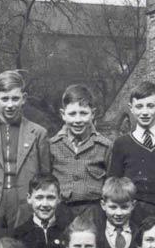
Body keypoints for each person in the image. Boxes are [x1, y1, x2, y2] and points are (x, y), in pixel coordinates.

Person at [0, 69, 50, 230]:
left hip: (25, 203)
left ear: (24, 98)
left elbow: (45, 176)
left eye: (15, 98)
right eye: (5, 99)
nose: (10, 105)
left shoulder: (39, 133)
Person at [107, 81, 155, 220]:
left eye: (150, 106)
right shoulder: (121, 144)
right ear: (131, 108)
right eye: (139, 106)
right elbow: (114, 183)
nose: (144, 112)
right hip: (133, 213)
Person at [48, 84, 113, 215]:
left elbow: (111, 185)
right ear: (63, 114)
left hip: (95, 212)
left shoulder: (105, 146)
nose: (78, 120)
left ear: (93, 114)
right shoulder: (52, 145)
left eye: (83, 113)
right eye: (72, 114)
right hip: (61, 212)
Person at [14, 173, 73, 248]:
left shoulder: (69, 231)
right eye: (39, 197)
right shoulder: (19, 235)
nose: (45, 204)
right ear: (29, 198)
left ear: (59, 198)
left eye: (50, 197)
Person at [90, 177, 142, 248]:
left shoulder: (140, 233)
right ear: (103, 205)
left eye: (124, 207)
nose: (118, 213)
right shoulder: (94, 234)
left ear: (133, 205)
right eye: (113, 207)